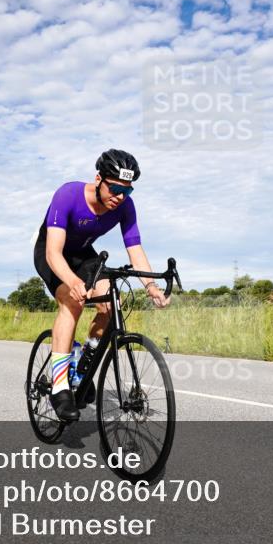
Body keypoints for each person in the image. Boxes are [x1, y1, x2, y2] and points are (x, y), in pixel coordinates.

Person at [34, 149, 170, 422]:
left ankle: (83, 364)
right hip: (53, 255)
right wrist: (72, 281)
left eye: (127, 191)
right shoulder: (68, 195)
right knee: (72, 301)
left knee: (111, 303)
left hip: (84, 256)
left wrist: (151, 286)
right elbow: (53, 252)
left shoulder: (124, 207)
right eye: (115, 188)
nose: (120, 197)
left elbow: (135, 249)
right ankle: (60, 386)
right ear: (98, 179)